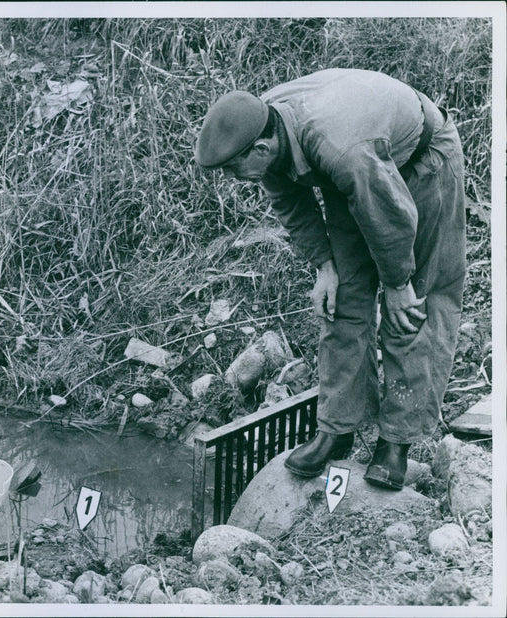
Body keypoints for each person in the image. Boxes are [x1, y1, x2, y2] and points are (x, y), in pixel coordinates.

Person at [195, 68, 465, 490]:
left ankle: (396, 441)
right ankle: (337, 427)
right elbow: (289, 200)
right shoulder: (262, 126)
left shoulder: (341, 148)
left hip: (422, 160)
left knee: (413, 308)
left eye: (233, 169)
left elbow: (392, 216)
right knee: (342, 299)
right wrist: (325, 266)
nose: (233, 179)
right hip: (358, 172)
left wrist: (397, 285)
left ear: (262, 148)